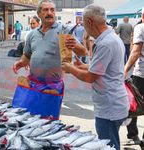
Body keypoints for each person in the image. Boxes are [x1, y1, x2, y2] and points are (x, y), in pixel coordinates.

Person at [62, 5, 129, 150]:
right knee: (111, 142)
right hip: (114, 103)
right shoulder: (110, 38)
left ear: (89, 22)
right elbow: (101, 69)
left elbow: (91, 77)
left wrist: (70, 68)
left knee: (108, 146)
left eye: (84, 23)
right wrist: (80, 66)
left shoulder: (105, 43)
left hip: (109, 107)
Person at [13, 0, 87, 117]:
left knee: (48, 122)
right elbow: (27, 56)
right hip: (32, 85)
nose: (50, 13)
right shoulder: (32, 34)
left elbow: (83, 52)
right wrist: (21, 63)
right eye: (46, 10)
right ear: (39, 14)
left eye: (52, 10)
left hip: (52, 87)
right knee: (29, 118)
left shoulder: (63, 30)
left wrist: (74, 45)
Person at [124, 8, 144, 150]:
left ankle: (133, 134)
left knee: (133, 104)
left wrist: (124, 70)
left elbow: (136, 51)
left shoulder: (140, 27)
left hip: (141, 74)